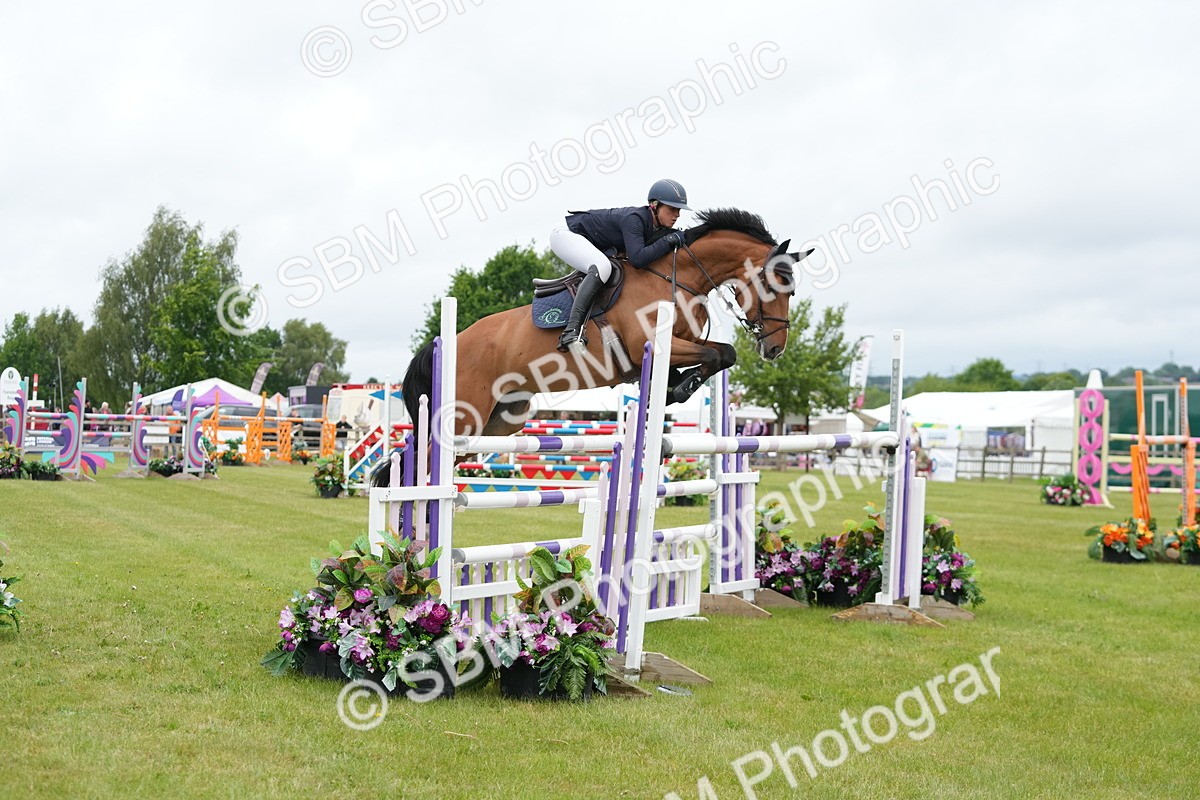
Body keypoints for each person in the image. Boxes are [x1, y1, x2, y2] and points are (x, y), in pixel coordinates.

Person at [550, 178, 692, 352]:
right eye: (672, 209)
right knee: (602, 267)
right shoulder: (635, 219)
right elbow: (637, 259)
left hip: (586, 239)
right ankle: (571, 331)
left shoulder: (652, 225)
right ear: (655, 206)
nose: (677, 215)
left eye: (678, 210)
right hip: (565, 234)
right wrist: (668, 241)